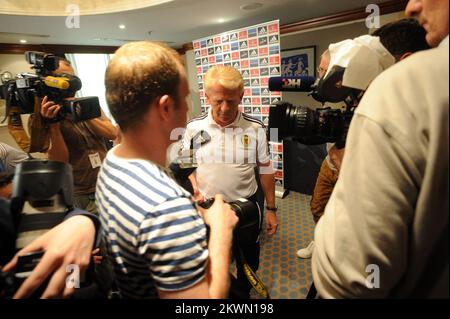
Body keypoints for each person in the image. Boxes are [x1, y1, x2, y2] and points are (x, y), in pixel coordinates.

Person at [312, 0, 448, 298]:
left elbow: (354, 279)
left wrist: (355, 172)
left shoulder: (405, 90)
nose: (412, 5)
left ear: (404, 62)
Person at [96, 41, 238, 299]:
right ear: (165, 108)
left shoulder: (112, 160)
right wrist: (221, 229)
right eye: (184, 97)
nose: (188, 107)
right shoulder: (167, 208)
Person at [297, 18, 430, 259]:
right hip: (333, 161)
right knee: (319, 206)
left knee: (344, 219)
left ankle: (333, 247)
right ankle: (322, 240)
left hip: (360, 179)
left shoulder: (418, 117)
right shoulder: (359, 88)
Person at [182, 65, 277, 299]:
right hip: (207, 209)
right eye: (218, 101)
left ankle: (242, 294)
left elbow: (265, 170)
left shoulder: (255, 128)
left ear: (241, 97)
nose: (224, 108)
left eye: (231, 101)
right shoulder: (193, 128)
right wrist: (193, 186)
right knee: (211, 259)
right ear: (207, 97)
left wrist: (272, 209)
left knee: (248, 259)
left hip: (246, 208)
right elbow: (186, 167)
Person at [40, 57, 118, 214]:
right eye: (64, 77)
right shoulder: (43, 115)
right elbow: (59, 162)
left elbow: (112, 133)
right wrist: (54, 126)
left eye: (73, 77)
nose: (70, 83)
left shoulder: (87, 104)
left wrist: (85, 114)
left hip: (105, 183)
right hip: (78, 193)